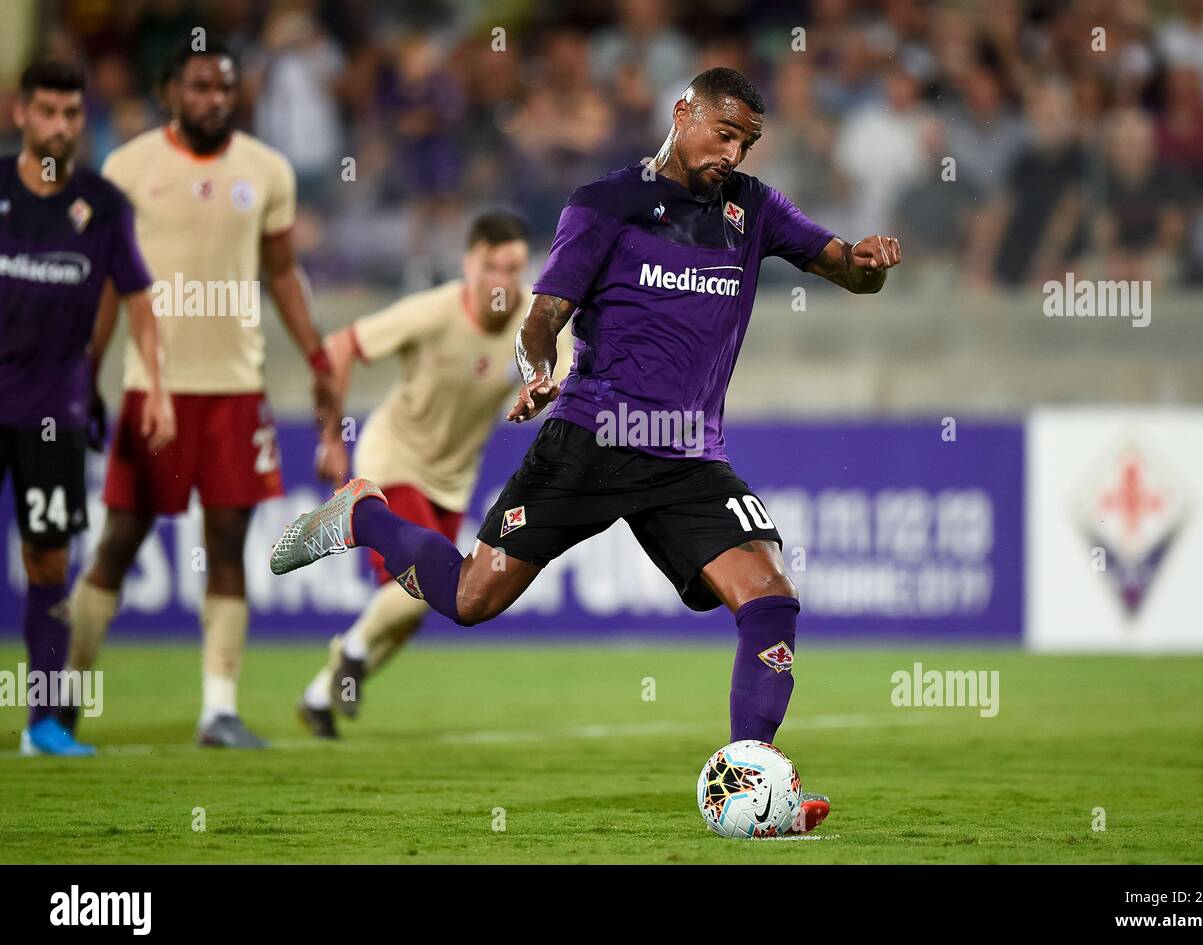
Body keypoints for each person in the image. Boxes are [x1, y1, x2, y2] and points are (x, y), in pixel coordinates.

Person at [270, 68, 901, 834]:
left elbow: (842, 267)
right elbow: (542, 319)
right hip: (591, 440)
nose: (733, 152)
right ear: (682, 114)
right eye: (723, 132)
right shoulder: (605, 204)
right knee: (472, 598)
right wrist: (536, 375)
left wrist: (864, 267)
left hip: (687, 456)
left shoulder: (754, 210)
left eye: (747, 141)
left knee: (770, 596)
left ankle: (753, 777)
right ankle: (364, 513)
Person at [65, 39, 343, 748]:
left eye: (225, 88)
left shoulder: (267, 170)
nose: (216, 99)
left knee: (227, 543)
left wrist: (316, 352)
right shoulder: (126, 170)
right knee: (118, 542)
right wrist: (85, 373)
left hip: (234, 390)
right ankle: (63, 697)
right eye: (200, 88)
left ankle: (218, 708)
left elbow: (281, 273)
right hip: (153, 390)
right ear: (170, 94)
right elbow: (104, 284)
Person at [297, 210, 563, 738]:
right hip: (393, 462)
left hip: (451, 479)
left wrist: (548, 383)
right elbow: (340, 347)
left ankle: (318, 695)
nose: (503, 281)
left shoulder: (533, 320)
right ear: (469, 265)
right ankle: (349, 652)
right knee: (419, 585)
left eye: (513, 268)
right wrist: (330, 438)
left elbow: (570, 361)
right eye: (492, 267)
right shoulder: (434, 313)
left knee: (423, 606)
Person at [1, 61, 173, 755]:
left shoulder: (101, 204)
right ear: (21, 115)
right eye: (48, 112)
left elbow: (138, 295)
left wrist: (154, 385)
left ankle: (44, 719)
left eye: (72, 114)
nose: (61, 126)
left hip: (55, 412)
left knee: (49, 560)